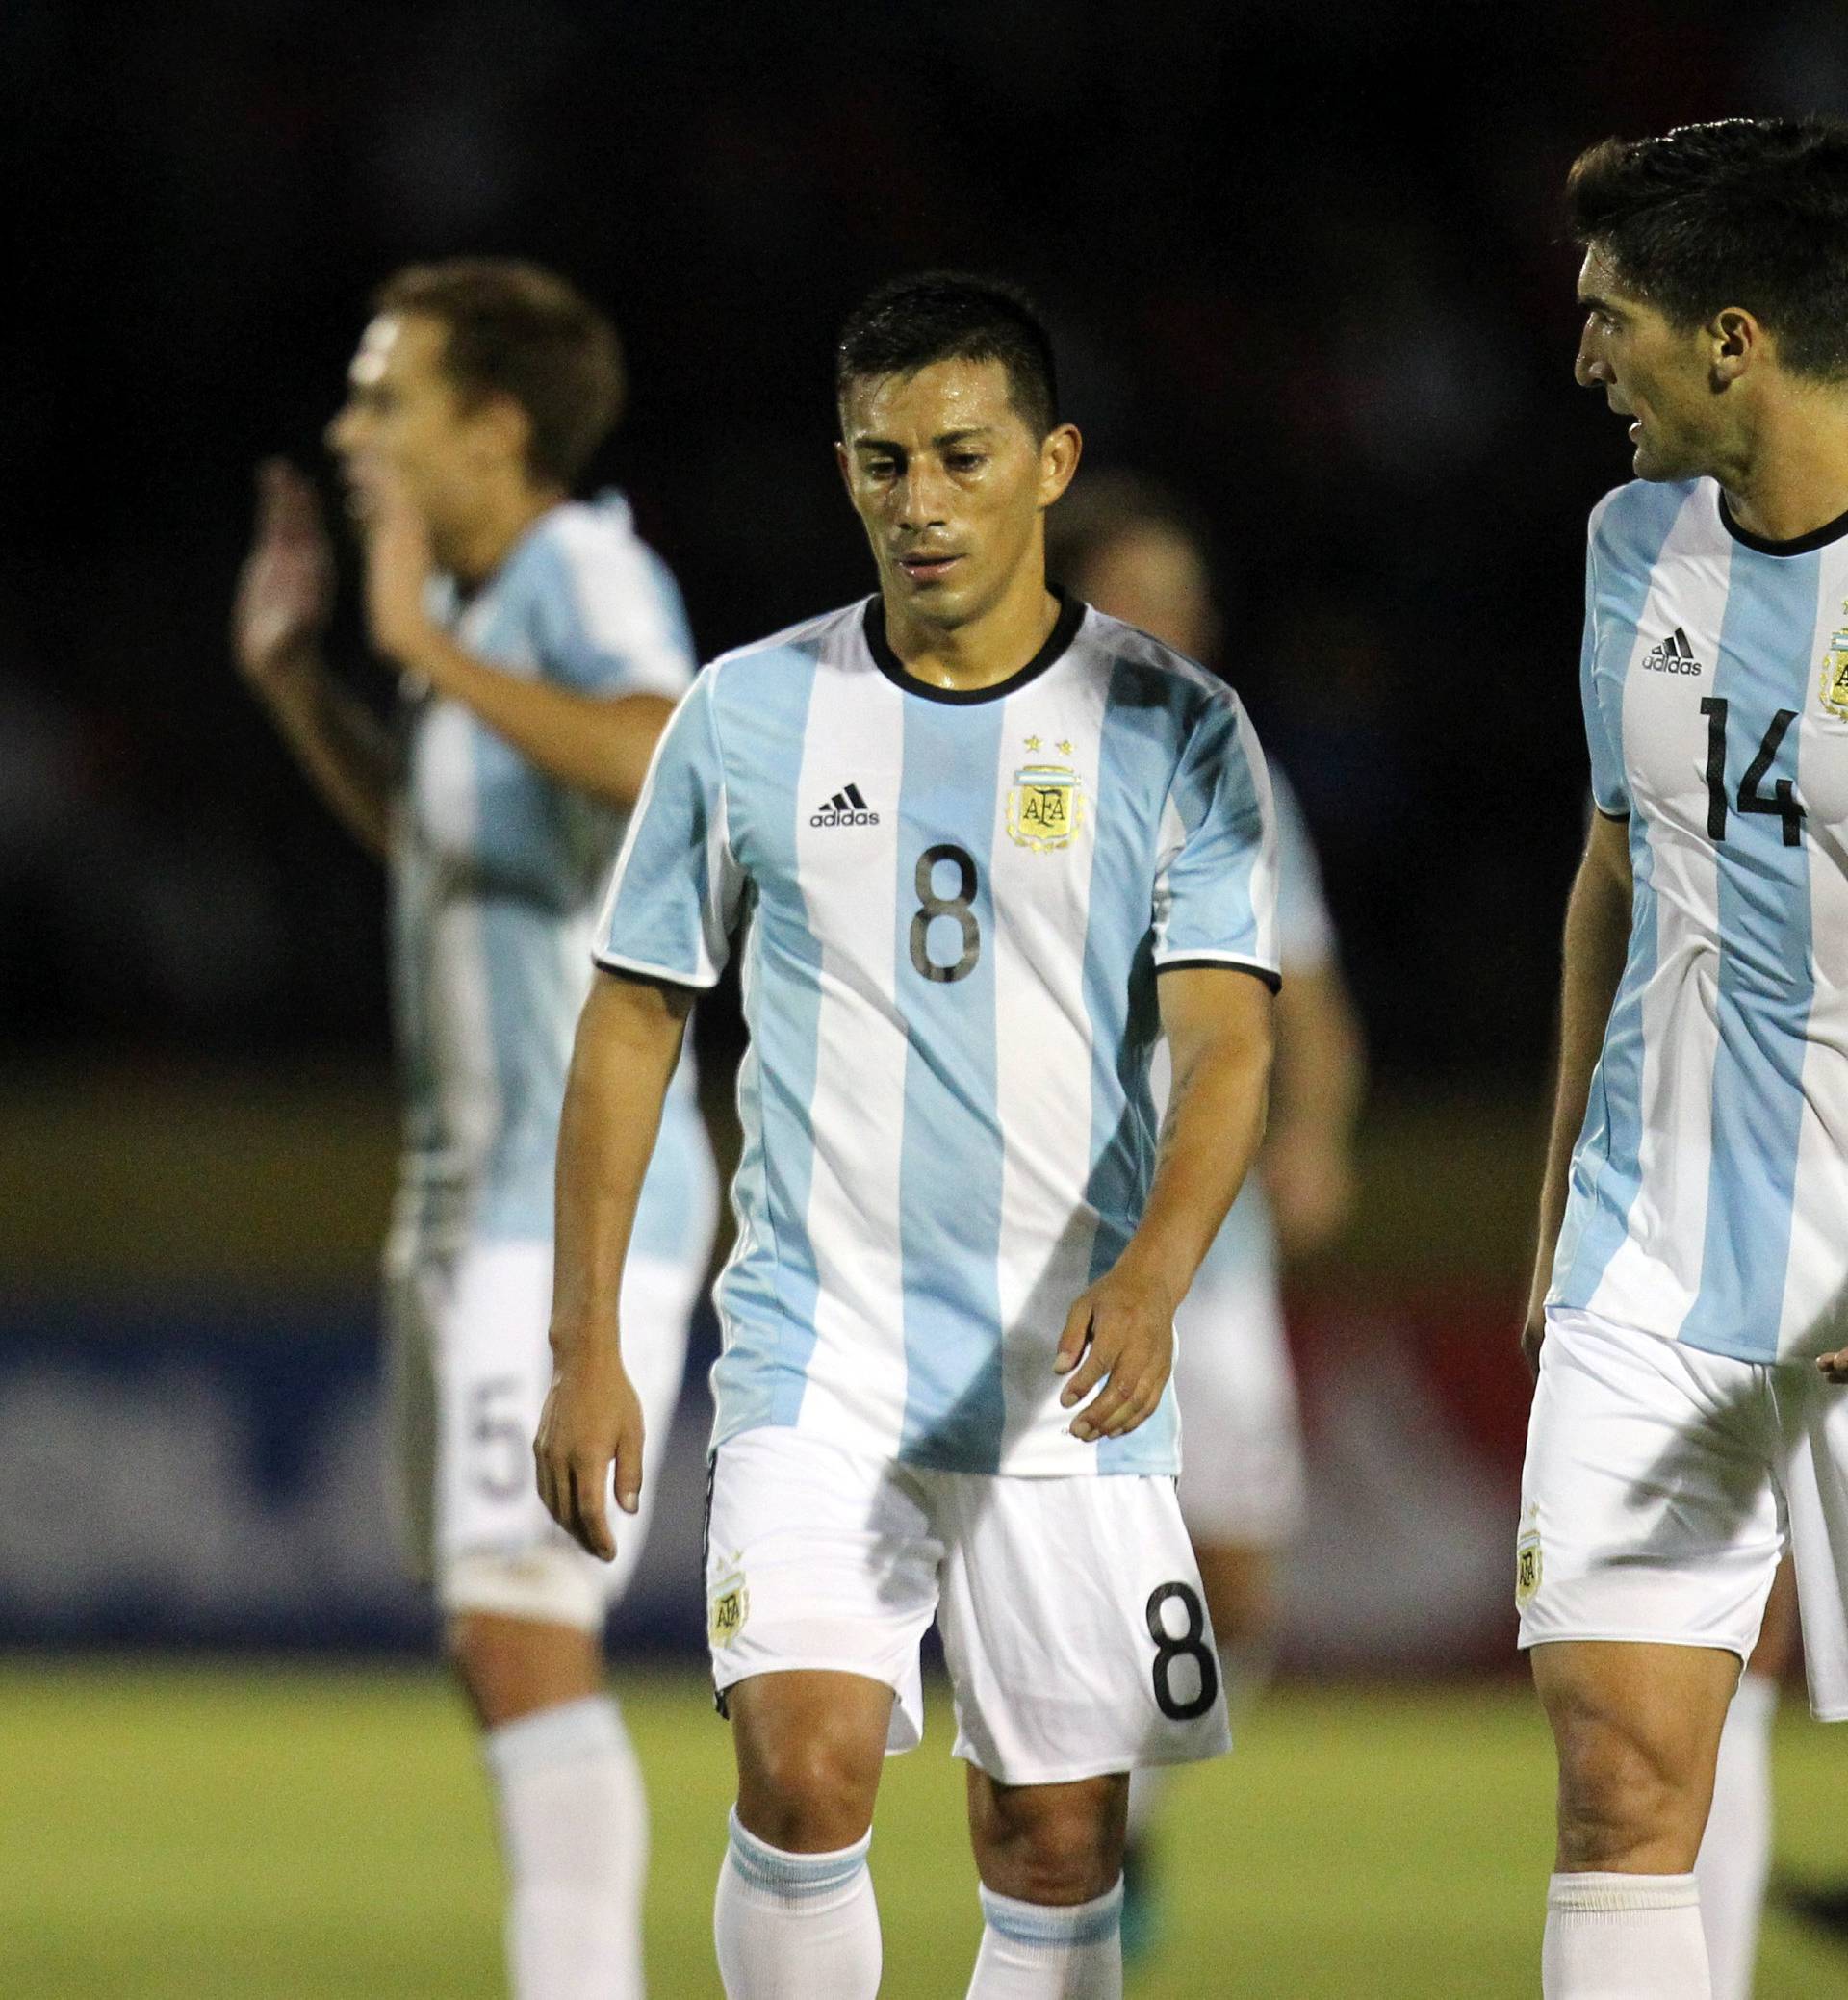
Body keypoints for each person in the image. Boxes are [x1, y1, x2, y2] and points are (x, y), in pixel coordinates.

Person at [535, 271, 1278, 2000]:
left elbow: (1229, 1043)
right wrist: (587, 1343)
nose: (919, 501)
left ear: (1049, 463)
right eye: (882, 462)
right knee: (802, 1771)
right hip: (820, 1343)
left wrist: (1158, 1276)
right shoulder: (747, 713)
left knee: (1057, 1840)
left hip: (1064, 1356)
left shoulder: (1172, 726)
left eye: (959, 455)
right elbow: (635, 1014)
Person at [233, 258, 717, 2000]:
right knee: (491, 1639)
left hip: (575, 1205)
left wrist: (425, 643)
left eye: (388, 396)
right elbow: (447, 852)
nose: (353, 429)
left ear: (495, 427)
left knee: (525, 1635)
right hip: (460, 1205)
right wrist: (316, 689)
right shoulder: (478, 610)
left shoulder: (574, 568)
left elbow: (671, 747)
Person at [1519, 118, 1848, 2000]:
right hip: (1655, 1264)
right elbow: (1616, 870)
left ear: (1733, 339)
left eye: (1609, 316)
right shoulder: (1629, 540)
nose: (1586, 359)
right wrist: (1569, 1190)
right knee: (1623, 1776)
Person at [1046, 474, 1365, 1956]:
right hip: (1040, 1249)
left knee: (1237, 1575)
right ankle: (1069, 1851)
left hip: (1208, 1251)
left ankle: (1138, 1821)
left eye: (1188, 602)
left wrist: (1310, 1131)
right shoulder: (999, 748)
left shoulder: (1236, 772)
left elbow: (1305, 993)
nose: (1175, 628)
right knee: (1060, 1581)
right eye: (1142, 601)